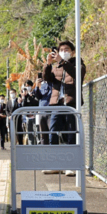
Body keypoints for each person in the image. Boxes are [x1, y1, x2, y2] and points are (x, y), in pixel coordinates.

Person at [43, 40, 86, 176]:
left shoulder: (79, 65)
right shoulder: (56, 67)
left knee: (70, 133)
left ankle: (69, 166)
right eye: (61, 50)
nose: (63, 52)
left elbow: (76, 75)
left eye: (67, 49)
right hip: (57, 104)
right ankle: (54, 165)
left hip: (71, 104)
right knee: (53, 133)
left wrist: (63, 62)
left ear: (72, 52)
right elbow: (46, 78)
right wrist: (48, 64)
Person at [33, 73, 53, 145]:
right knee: (43, 134)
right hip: (42, 111)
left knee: (52, 133)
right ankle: (44, 149)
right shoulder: (42, 85)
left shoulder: (53, 83)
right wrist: (37, 86)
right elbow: (38, 96)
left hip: (51, 111)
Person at [20, 80, 38, 145]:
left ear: (31, 86)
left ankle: (38, 144)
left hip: (35, 116)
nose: (27, 87)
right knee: (29, 132)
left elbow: (35, 103)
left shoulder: (35, 93)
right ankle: (31, 145)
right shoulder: (25, 95)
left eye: (28, 86)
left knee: (36, 131)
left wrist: (30, 96)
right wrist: (25, 96)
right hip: (28, 117)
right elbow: (24, 105)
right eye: (26, 86)